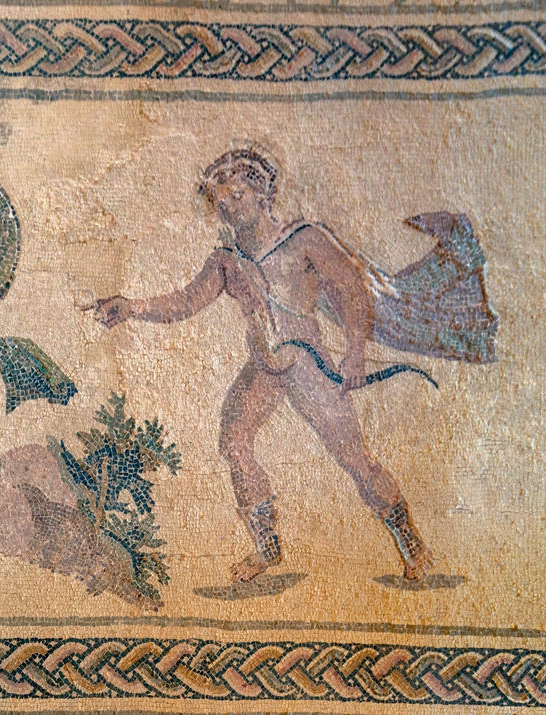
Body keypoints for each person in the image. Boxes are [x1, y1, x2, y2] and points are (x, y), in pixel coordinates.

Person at [91, 147, 438, 583]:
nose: (229, 207)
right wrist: (133, 307)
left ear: (260, 193)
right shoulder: (226, 260)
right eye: (220, 201)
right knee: (234, 441)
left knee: (353, 457)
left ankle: (410, 542)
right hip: (264, 368)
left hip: (308, 364)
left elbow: (349, 289)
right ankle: (267, 547)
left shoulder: (304, 239)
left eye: (237, 195)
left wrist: (353, 352)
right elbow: (186, 302)